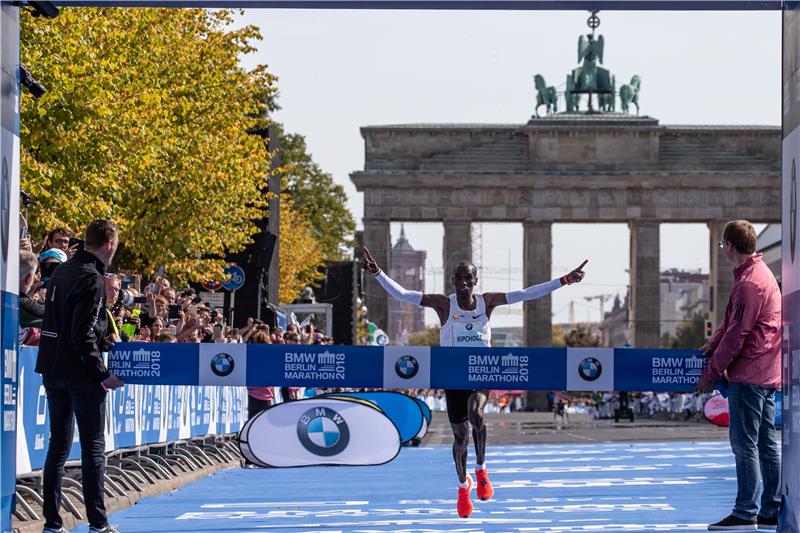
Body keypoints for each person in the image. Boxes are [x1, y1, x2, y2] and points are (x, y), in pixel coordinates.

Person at [363, 246, 587, 518]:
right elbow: (404, 295)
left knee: (477, 414)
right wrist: (378, 273)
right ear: (453, 283)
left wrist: (564, 280)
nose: (463, 284)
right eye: (458, 279)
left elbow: (527, 294)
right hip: (452, 376)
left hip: (481, 372)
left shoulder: (487, 302)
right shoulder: (444, 304)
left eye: (468, 279)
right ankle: (462, 486)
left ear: (475, 281)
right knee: (460, 438)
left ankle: (481, 470)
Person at [36, 219, 124, 533]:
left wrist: (102, 338)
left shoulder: (61, 271)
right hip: (80, 373)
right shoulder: (93, 278)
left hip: (52, 368)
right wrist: (103, 374)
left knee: (57, 447)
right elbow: (81, 334)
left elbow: (70, 324)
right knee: (92, 448)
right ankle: (98, 523)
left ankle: (52, 523)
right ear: (109, 244)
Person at [698, 220, 781, 531]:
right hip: (766, 371)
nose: (722, 250)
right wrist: (714, 340)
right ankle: (770, 508)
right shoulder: (758, 275)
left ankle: (745, 511)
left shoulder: (748, 283)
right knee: (765, 443)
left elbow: (738, 334)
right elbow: (732, 323)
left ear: (729, 246)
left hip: (749, 373)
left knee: (744, 444)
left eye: (722, 245)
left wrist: (712, 371)